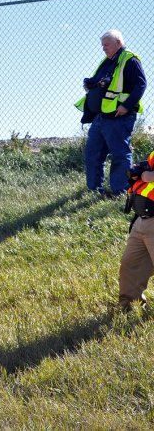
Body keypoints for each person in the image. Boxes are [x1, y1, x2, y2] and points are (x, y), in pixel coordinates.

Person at [77, 29, 146, 198]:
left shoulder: (129, 59)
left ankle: (120, 191)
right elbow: (103, 82)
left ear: (118, 43)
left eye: (106, 44)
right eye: (102, 45)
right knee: (92, 153)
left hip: (119, 116)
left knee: (120, 154)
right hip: (101, 116)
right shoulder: (108, 61)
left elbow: (141, 85)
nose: (103, 48)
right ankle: (94, 190)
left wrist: (126, 106)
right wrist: (91, 84)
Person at [118, 152, 154, 310]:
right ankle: (130, 306)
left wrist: (149, 175)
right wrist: (139, 172)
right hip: (141, 220)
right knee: (131, 264)